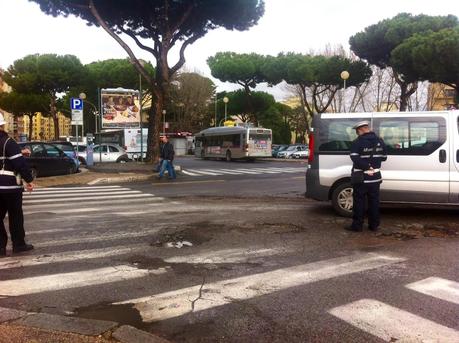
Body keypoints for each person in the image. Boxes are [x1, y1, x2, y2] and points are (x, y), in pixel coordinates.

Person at [0, 112, 35, 257]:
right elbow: (19, 163)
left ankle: (0, 247)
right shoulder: (8, 141)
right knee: (15, 216)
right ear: (2, 125)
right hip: (10, 187)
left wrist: (18, 152)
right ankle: (19, 245)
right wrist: (29, 180)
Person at [345, 120, 387, 232]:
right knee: (374, 202)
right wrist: (373, 165)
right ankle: (374, 225)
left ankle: (357, 226)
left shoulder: (357, 142)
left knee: (359, 202)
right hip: (376, 178)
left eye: (357, 132)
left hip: (361, 178)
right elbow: (384, 157)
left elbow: (354, 157)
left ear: (360, 130)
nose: (357, 134)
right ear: (367, 129)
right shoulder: (380, 141)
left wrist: (367, 167)